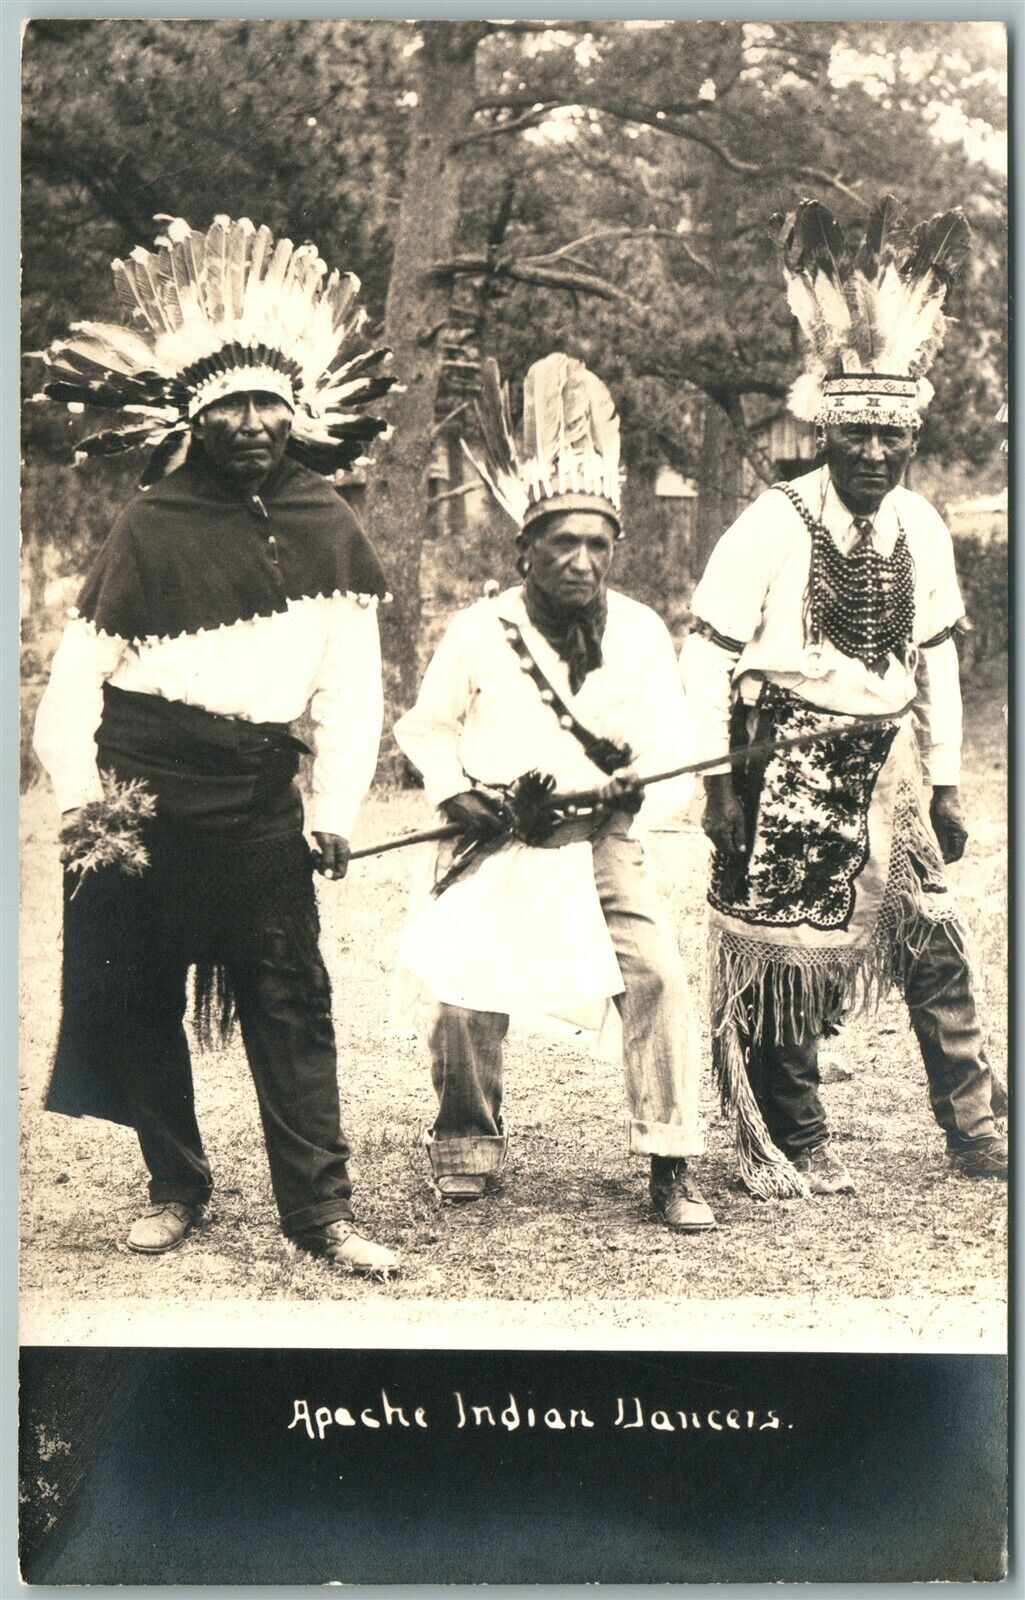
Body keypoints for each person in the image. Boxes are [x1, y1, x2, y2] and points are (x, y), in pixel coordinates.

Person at [32, 215, 400, 1273]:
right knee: (140, 990)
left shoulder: (326, 520)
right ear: (196, 413)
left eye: (269, 404)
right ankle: (173, 1182)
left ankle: (320, 1209)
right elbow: (76, 679)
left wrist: (331, 811)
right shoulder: (149, 524)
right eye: (231, 403)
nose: (252, 423)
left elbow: (347, 683)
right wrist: (81, 803)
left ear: (297, 411)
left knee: (290, 995)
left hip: (253, 796)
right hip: (139, 794)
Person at [680, 197, 1007, 1200]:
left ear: (910, 435)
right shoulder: (769, 524)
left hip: (892, 763)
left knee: (935, 934)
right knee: (788, 955)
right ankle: (798, 1132)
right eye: (853, 434)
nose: (870, 453)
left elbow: (936, 655)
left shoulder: (919, 522)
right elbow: (706, 653)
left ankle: (974, 1123)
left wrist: (943, 782)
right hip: (784, 754)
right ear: (825, 429)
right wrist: (715, 783)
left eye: (888, 437)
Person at [393, 353, 715, 1232]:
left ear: (615, 549)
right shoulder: (479, 631)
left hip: (596, 842)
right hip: (496, 835)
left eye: (596, 544)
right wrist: (458, 797)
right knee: (463, 992)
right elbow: (425, 729)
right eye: (560, 543)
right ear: (522, 548)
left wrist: (630, 798)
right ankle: (466, 1145)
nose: (579, 561)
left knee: (659, 977)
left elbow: (670, 747)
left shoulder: (645, 633)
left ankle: (669, 1160)